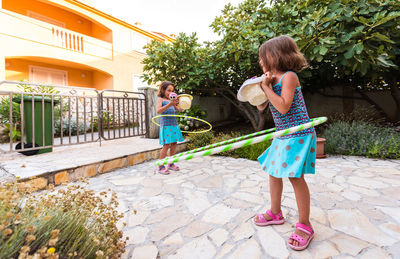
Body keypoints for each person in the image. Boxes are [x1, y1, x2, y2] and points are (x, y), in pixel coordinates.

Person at [253, 35, 316, 251]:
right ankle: (275, 212)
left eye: (263, 57)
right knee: (273, 172)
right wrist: (261, 88)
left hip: (298, 134)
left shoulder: (289, 77)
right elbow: (262, 107)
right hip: (283, 134)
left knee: (295, 177)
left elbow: (283, 107)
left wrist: (268, 87)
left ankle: (305, 225)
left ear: (276, 55)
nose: (261, 61)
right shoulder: (270, 80)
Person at [156, 81, 184, 175]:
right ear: (163, 90)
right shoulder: (161, 99)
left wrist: (181, 104)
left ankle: (170, 163)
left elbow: (179, 109)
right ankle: (160, 166)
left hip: (174, 125)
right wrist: (169, 104)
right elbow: (158, 111)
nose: (170, 92)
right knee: (166, 145)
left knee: (174, 143)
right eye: (168, 90)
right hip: (166, 126)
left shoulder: (172, 100)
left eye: (172, 90)